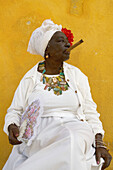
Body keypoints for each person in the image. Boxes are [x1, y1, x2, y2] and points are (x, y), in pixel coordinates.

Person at [3, 19, 112, 170]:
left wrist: (99, 144)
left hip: (76, 128)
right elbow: (15, 110)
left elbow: (90, 112)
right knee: (68, 143)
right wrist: (12, 126)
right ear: (47, 49)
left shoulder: (77, 76)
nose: (67, 45)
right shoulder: (31, 78)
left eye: (67, 41)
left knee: (73, 139)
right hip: (41, 135)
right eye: (60, 41)